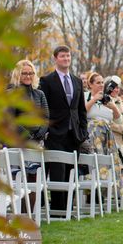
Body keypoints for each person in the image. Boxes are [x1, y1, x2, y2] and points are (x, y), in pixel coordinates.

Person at [39, 45, 89, 211]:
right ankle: (58, 210)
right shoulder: (46, 81)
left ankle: (68, 208)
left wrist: (83, 131)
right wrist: (47, 130)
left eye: (68, 56)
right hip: (55, 134)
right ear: (55, 58)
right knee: (57, 173)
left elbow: (81, 109)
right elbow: (42, 110)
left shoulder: (76, 81)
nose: (66, 59)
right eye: (62, 56)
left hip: (74, 134)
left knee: (71, 172)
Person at [8, 59, 49, 144]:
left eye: (31, 73)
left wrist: (39, 134)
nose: (28, 76)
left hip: (37, 142)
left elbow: (45, 118)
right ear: (17, 75)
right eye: (24, 73)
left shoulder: (40, 94)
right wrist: (28, 137)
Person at [85, 72, 121, 155]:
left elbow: (118, 120)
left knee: (108, 164)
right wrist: (93, 100)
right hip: (90, 137)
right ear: (90, 84)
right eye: (98, 83)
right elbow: (81, 112)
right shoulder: (85, 96)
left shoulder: (107, 99)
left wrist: (114, 107)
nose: (101, 85)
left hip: (107, 137)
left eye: (102, 82)